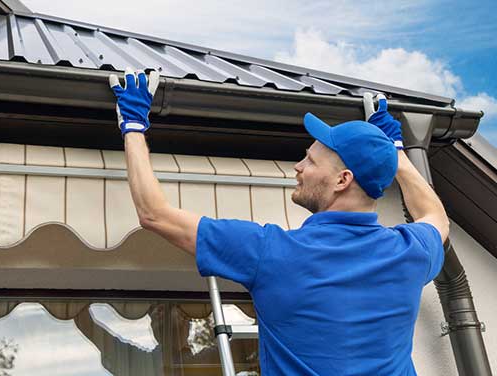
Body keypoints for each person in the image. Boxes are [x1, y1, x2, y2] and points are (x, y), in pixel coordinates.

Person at [108, 68, 448, 376]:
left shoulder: (272, 253)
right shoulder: (409, 253)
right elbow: (436, 217)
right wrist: (396, 154)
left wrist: (134, 125)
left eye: (310, 160)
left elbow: (154, 213)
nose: (298, 166)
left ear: (342, 180)